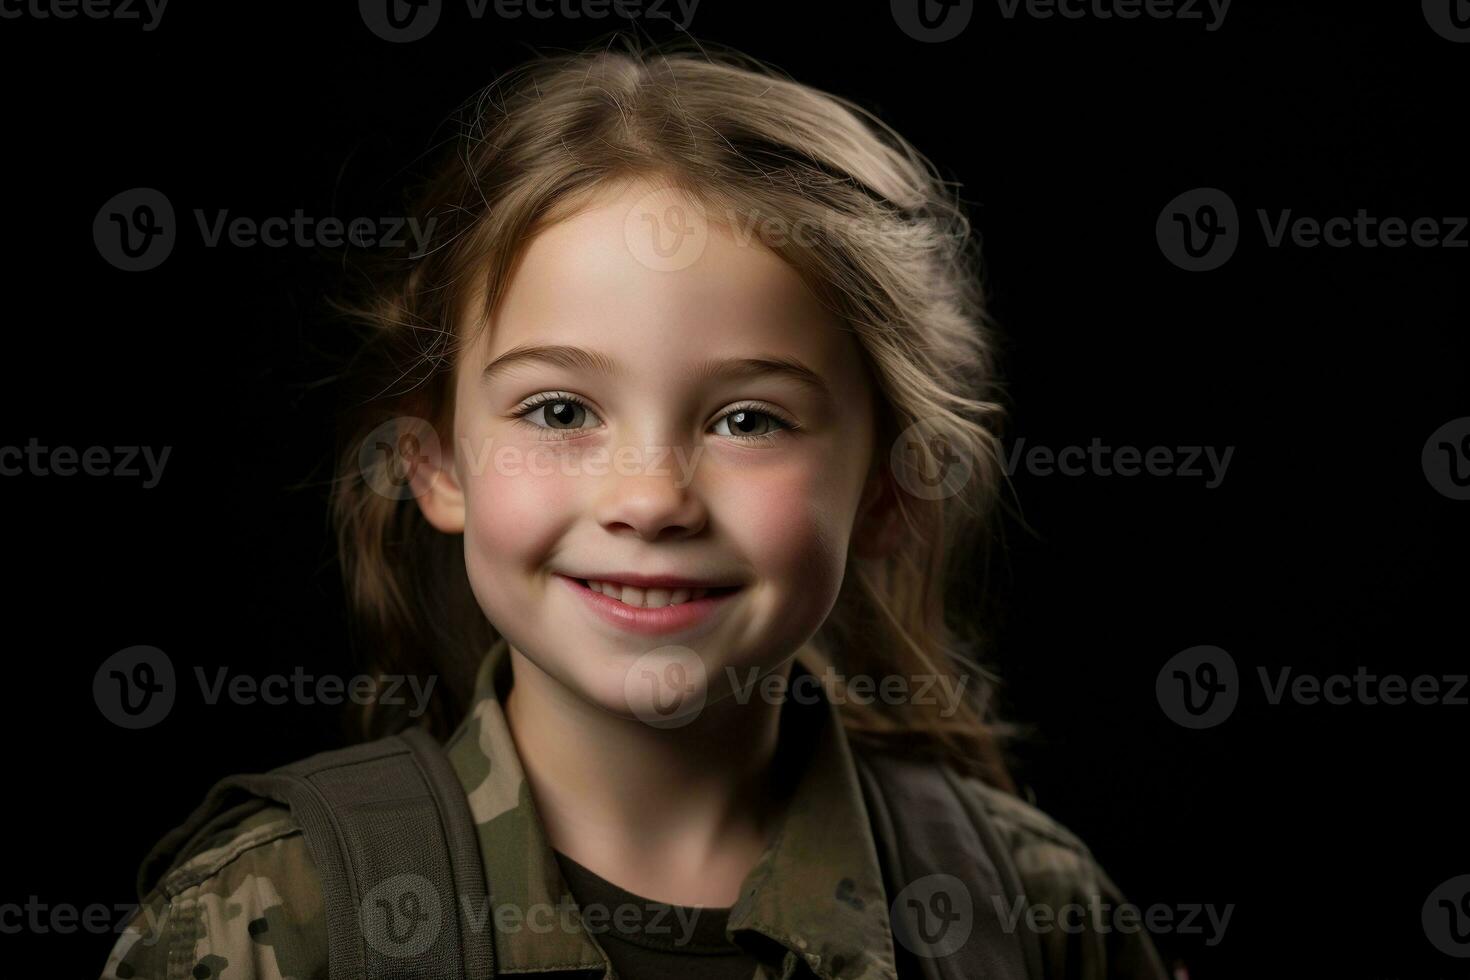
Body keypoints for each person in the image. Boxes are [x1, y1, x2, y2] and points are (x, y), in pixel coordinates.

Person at [100, 36, 1169, 980]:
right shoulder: (277, 920)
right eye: (560, 407)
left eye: (750, 419)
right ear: (434, 466)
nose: (651, 497)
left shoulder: (1034, 915)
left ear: (888, 489)